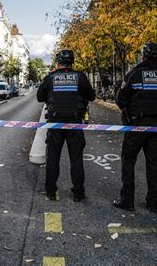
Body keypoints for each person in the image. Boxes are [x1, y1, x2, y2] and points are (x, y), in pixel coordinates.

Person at [113, 42, 157, 212]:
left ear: (143, 56)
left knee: (128, 161)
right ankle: (152, 202)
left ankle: (127, 200)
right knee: (153, 164)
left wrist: (128, 110)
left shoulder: (134, 75)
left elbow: (120, 99)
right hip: (156, 125)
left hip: (136, 125)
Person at [37, 49, 96, 202]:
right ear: (72, 62)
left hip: (55, 124)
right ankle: (78, 193)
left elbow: (39, 97)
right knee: (76, 159)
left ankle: (50, 191)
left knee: (53, 158)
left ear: (58, 63)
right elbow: (92, 96)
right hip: (75, 124)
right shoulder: (80, 77)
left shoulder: (50, 78)